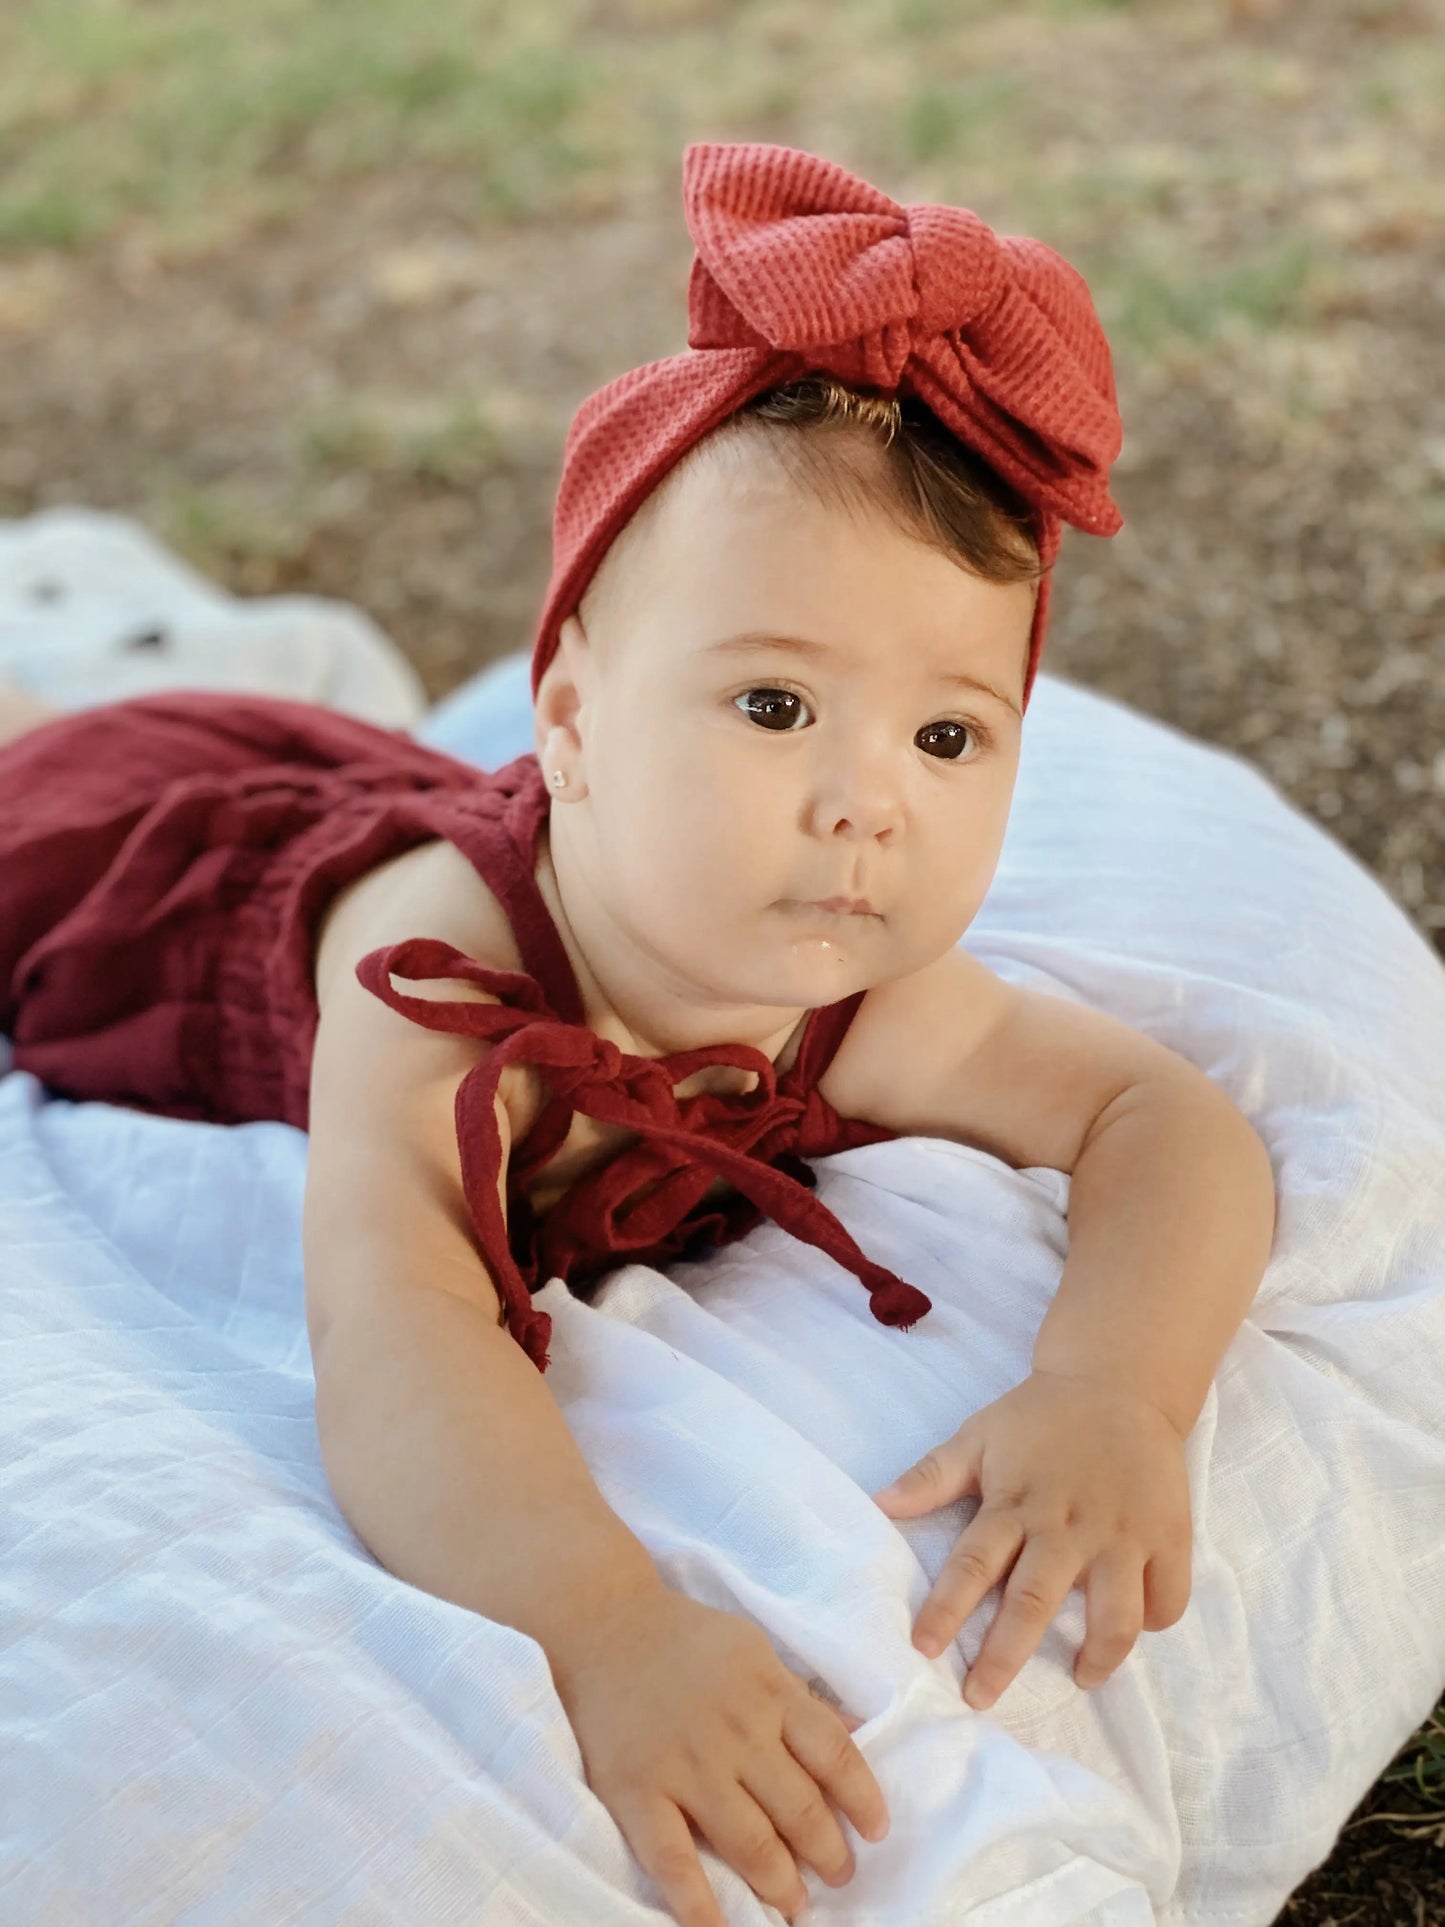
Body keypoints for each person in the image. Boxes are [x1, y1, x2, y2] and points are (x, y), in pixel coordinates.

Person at [0, 143, 1277, 1927]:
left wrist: (1113, 1388)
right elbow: (402, 1339)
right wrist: (607, 1628)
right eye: (775, 704)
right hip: (129, 871)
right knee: (37, 764)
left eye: (948, 737)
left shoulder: (852, 979)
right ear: (576, 717)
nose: (865, 806)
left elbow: (1159, 1119)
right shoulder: (436, 990)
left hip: (407, 794)